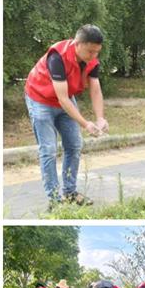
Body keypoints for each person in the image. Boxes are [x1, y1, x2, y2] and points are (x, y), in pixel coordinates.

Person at [24, 24, 108, 208]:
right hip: (41, 99)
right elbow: (62, 99)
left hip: (65, 100)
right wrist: (86, 124)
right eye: (90, 51)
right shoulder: (58, 56)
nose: (94, 56)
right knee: (48, 149)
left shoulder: (92, 60)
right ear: (77, 44)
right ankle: (55, 198)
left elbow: (95, 90)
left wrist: (100, 117)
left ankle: (69, 192)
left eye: (97, 52)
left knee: (74, 145)